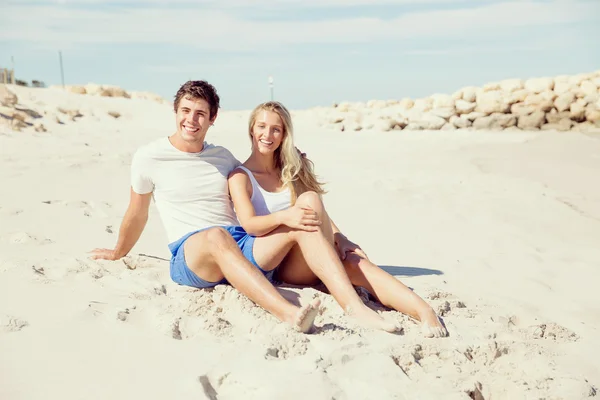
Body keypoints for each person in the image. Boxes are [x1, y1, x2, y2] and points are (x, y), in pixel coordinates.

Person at [89, 80, 395, 334]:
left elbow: (259, 180)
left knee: (296, 221)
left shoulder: (224, 158)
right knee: (215, 236)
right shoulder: (149, 157)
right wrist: (119, 251)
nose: (191, 120)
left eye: (200, 114)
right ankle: (289, 314)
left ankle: (354, 304)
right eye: (185, 111)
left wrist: (290, 160)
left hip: (242, 249)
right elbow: (137, 212)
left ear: (212, 118)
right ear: (175, 112)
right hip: (192, 255)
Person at [227, 101, 448, 338]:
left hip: (311, 251)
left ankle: (424, 311)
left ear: (284, 135)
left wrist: (339, 237)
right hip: (281, 263)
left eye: (276, 129)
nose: (267, 135)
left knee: (353, 260)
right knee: (308, 202)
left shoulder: (289, 169)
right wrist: (285, 216)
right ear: (251, 129)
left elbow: (316, 213)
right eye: (261, 127)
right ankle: (354, 307)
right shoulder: (240, 176)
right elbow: (249, 224)